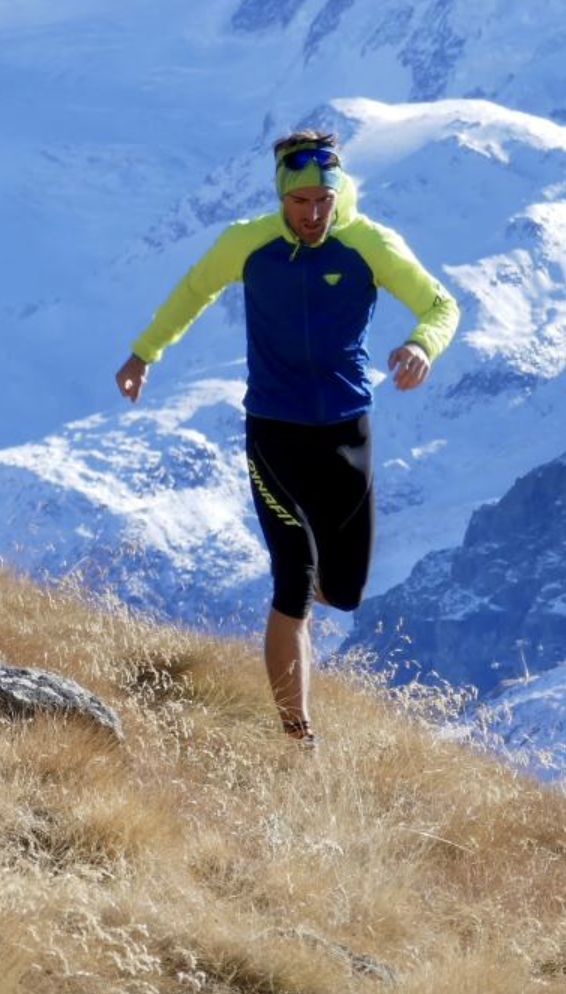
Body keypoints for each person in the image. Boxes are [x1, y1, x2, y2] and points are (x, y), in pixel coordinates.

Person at [114, 130, 458, 748]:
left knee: (345, 590)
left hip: (347, 433)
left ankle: (315, 599)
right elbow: (195, 290)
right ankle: (297, 734)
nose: (314, 214)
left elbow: (441, 305)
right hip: (273, 431)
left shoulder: (369, 244)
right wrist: (144, 354)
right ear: (282, 196)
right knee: (292, 578)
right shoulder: (248, 243)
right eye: (301, 202)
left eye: (324, 200)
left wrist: (420, 345)